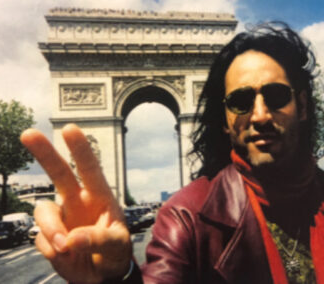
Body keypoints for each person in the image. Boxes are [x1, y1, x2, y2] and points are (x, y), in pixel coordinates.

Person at [20, 22, 324, 283]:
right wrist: (117, 278)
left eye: (276, 96)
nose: (259, 115)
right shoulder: (185, 218)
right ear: (224, 121)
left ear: (303, 107)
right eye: (241, 101)